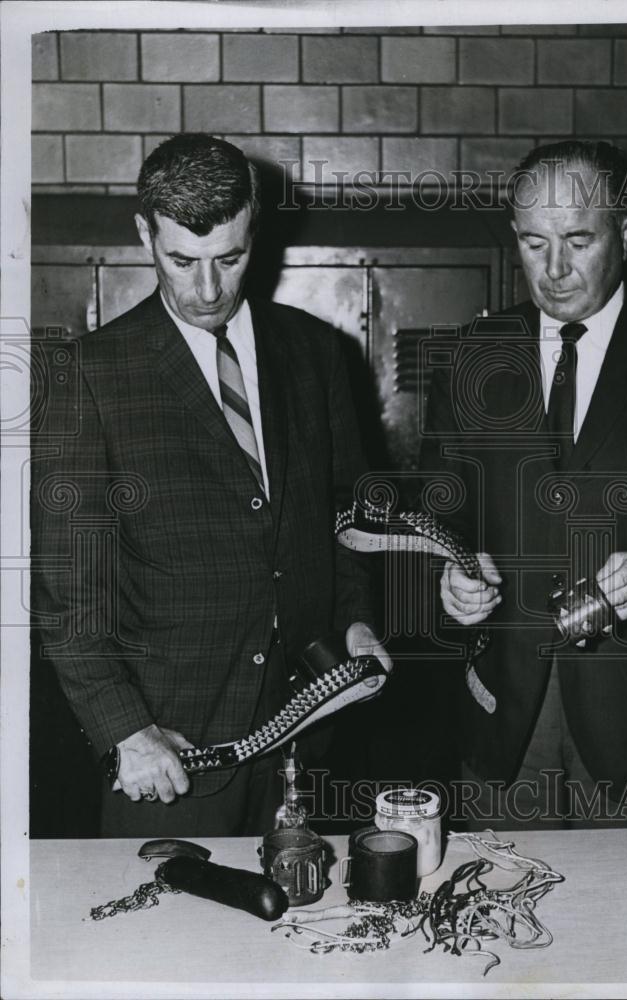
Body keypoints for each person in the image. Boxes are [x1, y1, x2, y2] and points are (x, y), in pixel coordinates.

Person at [32, 133, 389, 837]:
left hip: (310, 733)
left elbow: (345, 518)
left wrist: (355, 619)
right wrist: (125, 730)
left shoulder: (318, 354)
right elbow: (68, 594)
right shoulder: (90, 377)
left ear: (256, 229)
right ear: (145, 234)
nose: (206, 289)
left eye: (229, 259)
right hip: (172, 749)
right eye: (181, 260)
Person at [421, 140, 627, 827]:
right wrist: (448, 577)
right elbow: (437, 510)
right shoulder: (468, 359)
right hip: (507, 722)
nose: (554, 270)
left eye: (578, 240)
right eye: (533, 242)